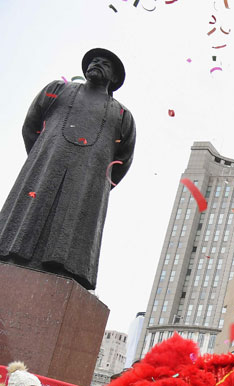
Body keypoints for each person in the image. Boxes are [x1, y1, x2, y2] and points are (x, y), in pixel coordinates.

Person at [0, 48, 136, 291]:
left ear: (114, 78)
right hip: (44, 168)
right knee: (26, 220)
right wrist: (44, 157)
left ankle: (67, 268)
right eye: (94, 60)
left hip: (88, 183)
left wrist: (98, 183)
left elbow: (123, 160)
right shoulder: (57, 89)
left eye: (105, 63)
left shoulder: (123, 115)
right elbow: (30, 127)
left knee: (72, 233)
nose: (97, 63)